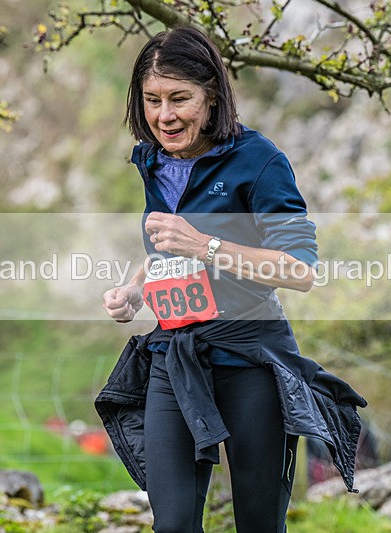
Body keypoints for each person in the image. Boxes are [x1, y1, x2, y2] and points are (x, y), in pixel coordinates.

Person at [95, 26, 367, 533]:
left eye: (180, 98)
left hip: (251, 361)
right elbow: (164, 245)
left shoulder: (258, 160)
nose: (164, 115)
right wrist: (135, 288)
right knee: (172, 524)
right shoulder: (153, 159)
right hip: (174, 356)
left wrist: (205, 244)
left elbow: (300, 270)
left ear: (212, 94)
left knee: (259, 524)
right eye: (152, 100)